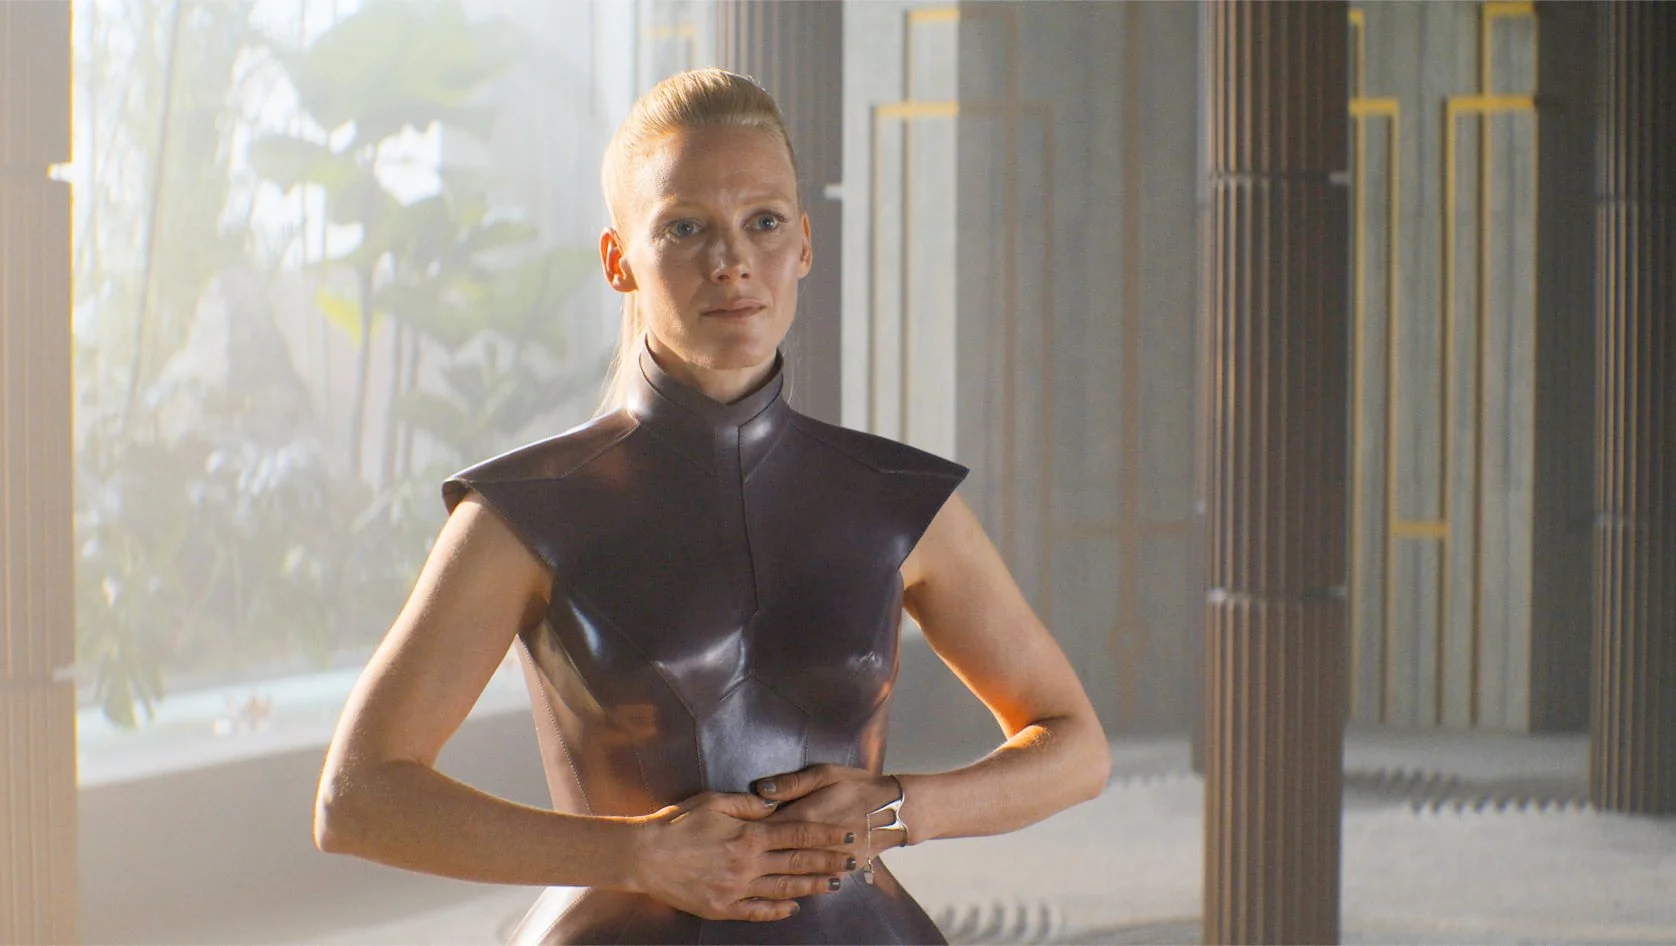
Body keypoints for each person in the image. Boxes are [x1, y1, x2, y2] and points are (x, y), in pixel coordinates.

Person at [313, 68, 1110, 945]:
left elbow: (1076, 746)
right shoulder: (525, 514)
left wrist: (900, 809)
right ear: (619, 259)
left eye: (763, 222)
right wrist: (635, 855)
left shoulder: (899, 502)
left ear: (804, 244)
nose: (731, 261)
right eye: (685, 227)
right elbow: (358, 797)